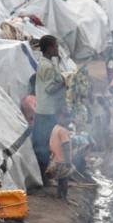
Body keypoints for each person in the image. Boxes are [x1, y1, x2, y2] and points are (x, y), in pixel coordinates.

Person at [32, 35, 67, 178]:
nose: (58, 49)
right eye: (56, 46)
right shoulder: (47, 66)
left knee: (44, 143)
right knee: (48, 144)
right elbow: (50, 88)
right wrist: (64, 83)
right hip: (47, 111)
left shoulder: (45, 63)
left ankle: (44, 174)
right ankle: (45, 175)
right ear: (50, 48)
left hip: (44, 109)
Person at [45, 121, 73, 200]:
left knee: (61, 178)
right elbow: (66, 147)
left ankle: (59, 195)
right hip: (62, 159)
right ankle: (64, 197)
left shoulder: (55, 127)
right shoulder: (63, 131)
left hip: (55, 158)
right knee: (64, 179)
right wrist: (68, 161)